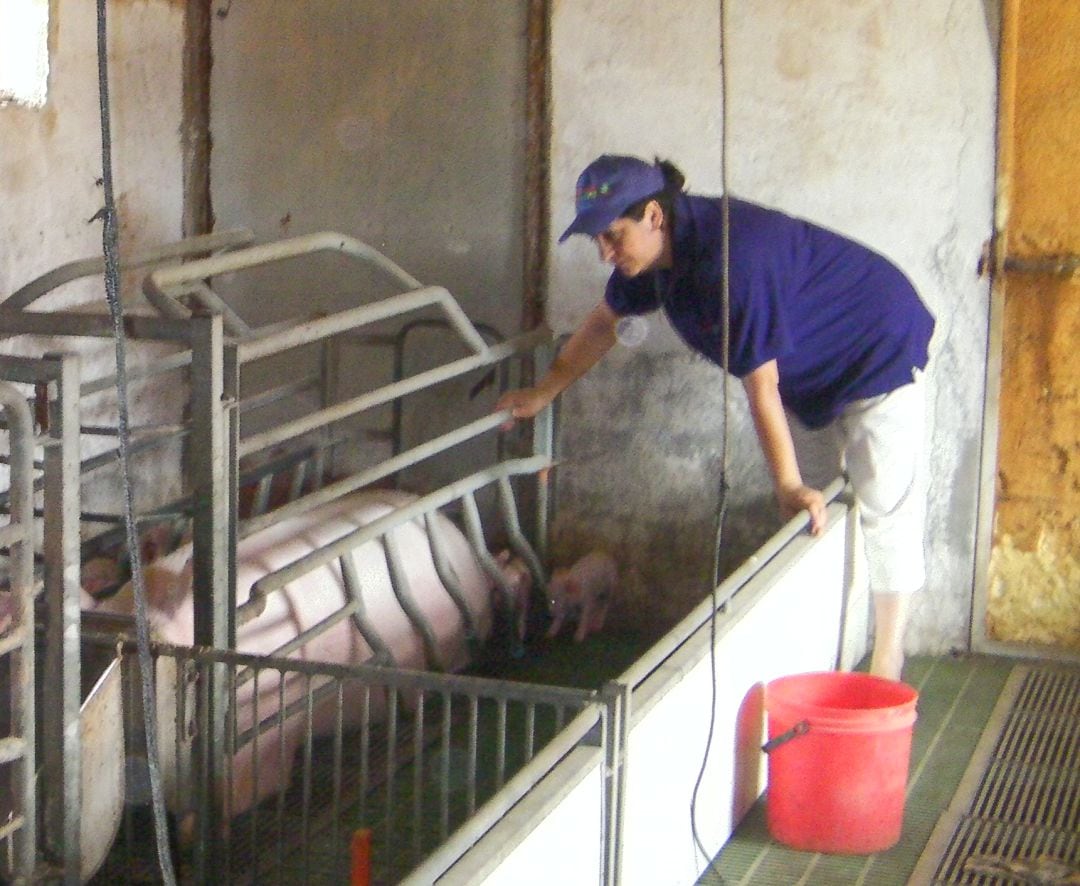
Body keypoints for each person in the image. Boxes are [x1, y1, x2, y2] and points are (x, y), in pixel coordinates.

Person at [496, 154, 935, 681]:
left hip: (876, 346)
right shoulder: (652, 260)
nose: (604, 252)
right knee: (816, 516)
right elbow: (602, 323)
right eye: (597, 240)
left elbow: (761, 386)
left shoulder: (733, 259)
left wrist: (787, 483)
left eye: (612, 236)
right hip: (808, 373)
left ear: (654, 216)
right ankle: (834, 651)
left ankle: (888, 654)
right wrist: (544, 391)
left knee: (883, 502)